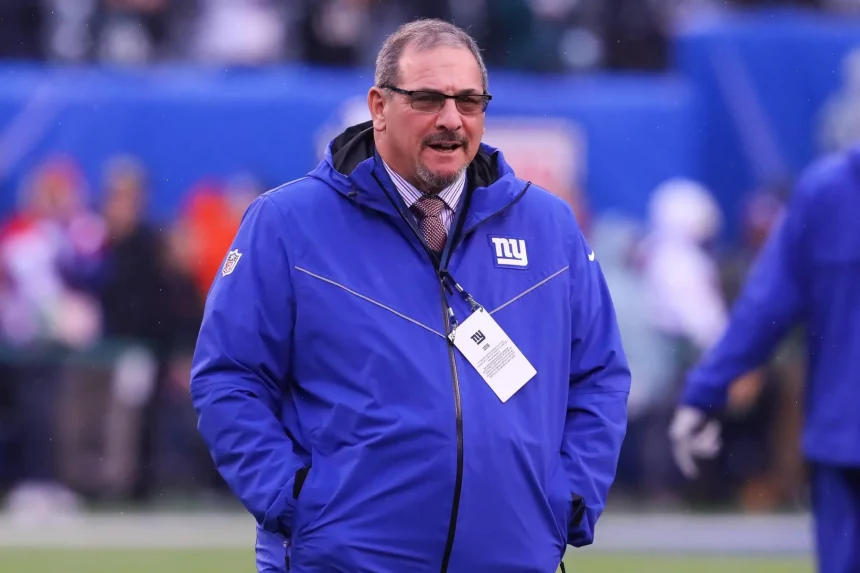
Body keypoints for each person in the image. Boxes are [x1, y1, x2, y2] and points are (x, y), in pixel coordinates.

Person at [190, 18, 630, 573]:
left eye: (468, 101)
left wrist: (569, 498)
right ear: (379, 106)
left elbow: (599, 374)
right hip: (347, 560)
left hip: (510, 556)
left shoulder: (548, 225)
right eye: (427, 99)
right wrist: (295, 499)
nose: (451, 119)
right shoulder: (287, 224)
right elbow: (228, 377)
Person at [669, 148, 860, 573]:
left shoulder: (827, 190)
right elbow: (765, 306)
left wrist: (704, 391)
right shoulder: (827, 191)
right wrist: (704, 390)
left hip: (843, 437)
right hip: (841, 441)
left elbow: (765, 305)